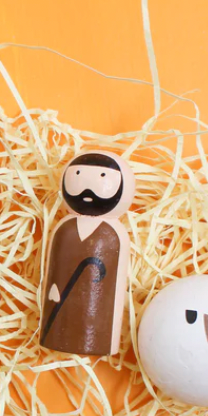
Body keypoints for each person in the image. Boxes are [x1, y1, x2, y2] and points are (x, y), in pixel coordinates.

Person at [39, 151, 136, 355]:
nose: (88, 189)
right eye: (78, 175)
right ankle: (54, 333)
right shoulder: (64, 228)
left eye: (102, 178)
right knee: (57, 315)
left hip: (99, 326)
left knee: (97, 320)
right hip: (56, 313)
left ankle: (97, 341)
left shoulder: (112, 234)